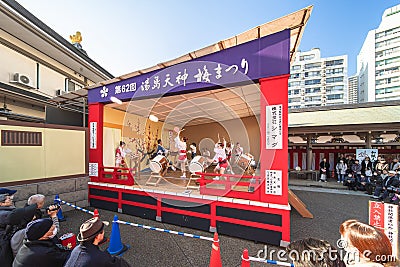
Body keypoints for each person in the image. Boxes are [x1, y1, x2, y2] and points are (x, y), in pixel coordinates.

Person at [64, 217, 130, 267]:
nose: (104, 232)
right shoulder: (100, 258)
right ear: (98, 236)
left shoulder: (75, 251)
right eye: (102, 231)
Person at [0, 190, 38, 267]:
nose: (10, 198)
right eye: (8, 198)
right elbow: (17, 220)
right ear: (1, 203)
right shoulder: (5, 214)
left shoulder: (8, 210)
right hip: (5, 244)